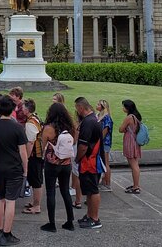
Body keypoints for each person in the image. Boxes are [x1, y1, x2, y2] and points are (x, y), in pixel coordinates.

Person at [0, 95, 28, 246]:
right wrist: (25, 169)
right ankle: (7, 233)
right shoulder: (17, 128)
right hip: (14, 168)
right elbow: (23, 152)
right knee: (10, 201)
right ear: (13, 109)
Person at [40, 102, 75, 232]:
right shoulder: (71, 127)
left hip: (52, 163)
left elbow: (43, 145)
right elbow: (74, 142)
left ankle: (52, 223)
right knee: (65, 191)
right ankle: (70, 221)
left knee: (51, 192)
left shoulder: (48, 128)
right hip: (66, 164)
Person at [74, 97, 104, 230]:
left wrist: (77, 158)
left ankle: (95, 218)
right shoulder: (92, 120)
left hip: (90, 161)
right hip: (91, 160)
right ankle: (90, 215)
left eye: (77, 108)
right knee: (90, 191)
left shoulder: (88, 122)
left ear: (81, 107)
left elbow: (83, 146)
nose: (76, 111)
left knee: (93, 190)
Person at [22, 99, 43, 216]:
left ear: (27, 109)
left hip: (34, 155)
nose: (21, 109)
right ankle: (35, 202)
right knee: (36, 180)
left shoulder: (30, 123)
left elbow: (30, 142)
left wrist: (27, 157)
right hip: (38, 154)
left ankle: (36, 206)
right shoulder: (36, 118)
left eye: (23, 108)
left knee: (36, 181)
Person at [119, 99, 142, 194]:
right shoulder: (137, 116)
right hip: (135, 141)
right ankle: (136, 184)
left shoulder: (129, 117)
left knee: (133, 165)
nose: (123, 108)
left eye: (124, 106)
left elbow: (121, 129)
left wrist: (125, 130)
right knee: (135, 164)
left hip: (130, 141)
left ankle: (136, 187)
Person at [96, 99, 113, 191]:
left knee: (106, 162)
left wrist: (98, 140)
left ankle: (107, 183)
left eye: (98, 104)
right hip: (101, 142)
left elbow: (105, 131)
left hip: (104, 143)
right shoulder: (99, 116)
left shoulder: (106, 117)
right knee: (103, 161)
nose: (96, 105)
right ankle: (104, 181)